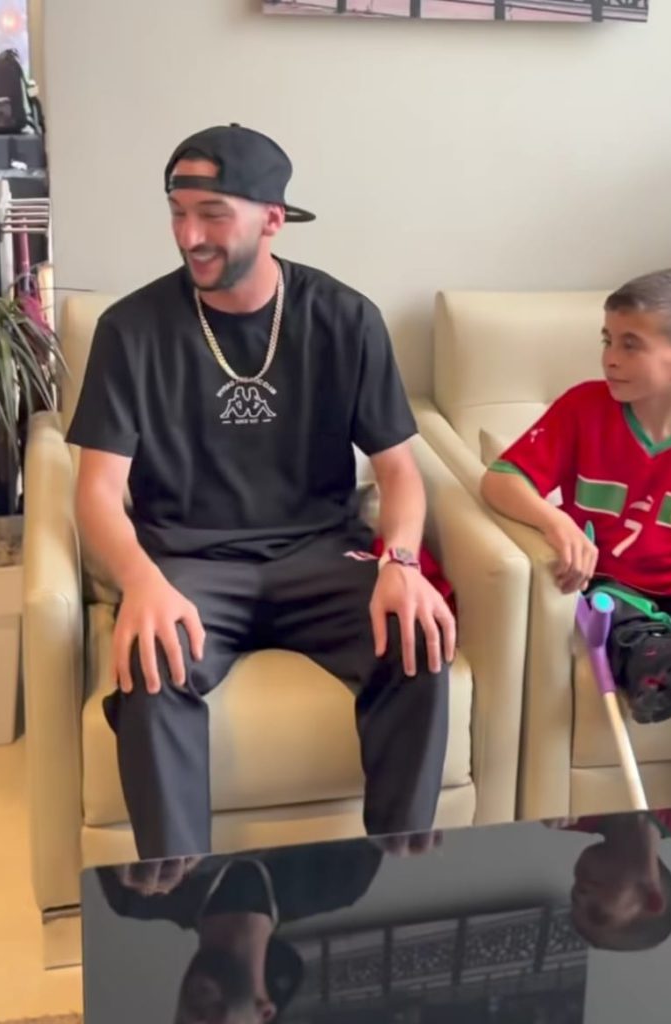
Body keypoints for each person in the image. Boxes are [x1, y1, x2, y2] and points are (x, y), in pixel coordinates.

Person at [66, 124, 455, 859]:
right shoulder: (131, 330)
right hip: (189, 564)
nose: (190, 236)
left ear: (273, 219)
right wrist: (140, 582)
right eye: (178, 213)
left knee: (416, 643)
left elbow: (400, 470)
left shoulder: (345, 317)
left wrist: (401, 562)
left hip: (320, 554)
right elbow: (97, 491)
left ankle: (401, 877)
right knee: (152, 663)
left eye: (213, 214)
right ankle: (183, 890)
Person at [482, 269, 671, 800]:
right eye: (607, 340)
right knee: (616, 617)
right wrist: (555, 521)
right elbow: (500, 480)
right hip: (609, 579)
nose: (610, 358)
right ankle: (652, 665)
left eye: (630, 345)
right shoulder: (581, 409)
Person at [98, 839, 389, 1023]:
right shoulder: (342, 878)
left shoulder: (136, 892)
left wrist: (123, 843)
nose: (196, 1021)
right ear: (264, 1014)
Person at [552, 803, 671, 952]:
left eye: (574, 900)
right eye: (597, 913)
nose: (580, 895)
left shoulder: (566, 812)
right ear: (652, 900)